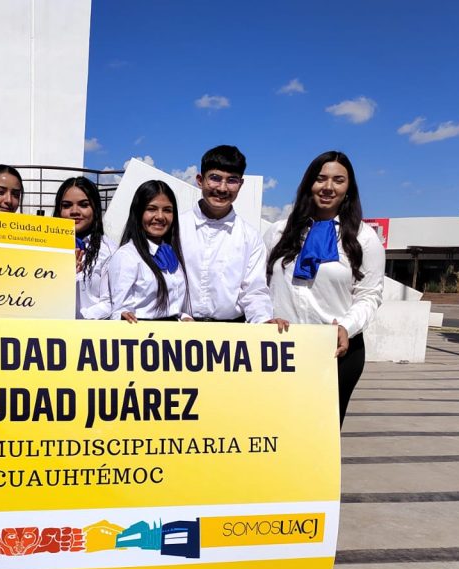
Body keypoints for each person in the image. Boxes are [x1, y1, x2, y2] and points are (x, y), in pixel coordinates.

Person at [264, 150, 384, 424]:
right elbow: (259, 285)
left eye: (338, 180)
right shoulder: (279, 231)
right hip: (281, 350)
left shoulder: (363, 238)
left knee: (320, 435)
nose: (328, 187)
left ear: (348, 188)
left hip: (335, 351)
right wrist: (265, 317)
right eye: (321, 179)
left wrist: (346, 327)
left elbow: (369, 295)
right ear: (309, 183)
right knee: (278, 429)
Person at [181, 145, 286, 331]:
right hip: (177, 330)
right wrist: (181, 316)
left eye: (231, 180)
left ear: (241, 184)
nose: (222, 188)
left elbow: (254, 291)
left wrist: (263, 321)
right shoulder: (176, 228)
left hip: (230, 336)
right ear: (200, 180)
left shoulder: (250, 237)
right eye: (215, 178)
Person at [108, 180, 190, 322]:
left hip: (174, 332)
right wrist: (122, 316)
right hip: (143, 332)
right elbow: (119, 310)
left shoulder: (173, 253)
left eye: (167, 210)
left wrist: (184, 316)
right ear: (138, 213)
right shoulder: (127, 256)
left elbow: (174, 306)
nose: (160, 216)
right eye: (151, 209)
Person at [53, 176, 117, 319]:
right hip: (50, 329)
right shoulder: (44, 248)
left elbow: (110, 302)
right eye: (67, 205)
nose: (74, 211)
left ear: (95, 209)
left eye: (83, 205)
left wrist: (79, 320)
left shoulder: (109, 251)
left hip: (90, 330)